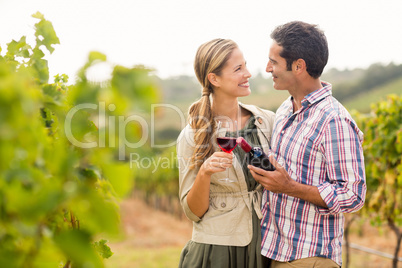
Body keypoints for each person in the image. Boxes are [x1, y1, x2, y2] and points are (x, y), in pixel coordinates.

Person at [247, 21, 367, 267]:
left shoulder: (334, 120)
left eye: (274, 62)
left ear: (298, 66)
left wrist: (290, 187)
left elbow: (353, 194)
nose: (268, 68)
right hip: (275, 250)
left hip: (309, 257)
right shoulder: (284, 108)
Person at [176, 38, 275, 267]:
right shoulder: (193, 135)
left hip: (265, 244)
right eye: (238, 69)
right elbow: (193, 212)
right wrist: (204, 173)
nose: (248, 73)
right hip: (217, 251)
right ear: (214, 78)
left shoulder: (266, 121)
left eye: (245, 65)